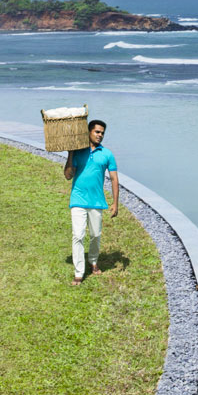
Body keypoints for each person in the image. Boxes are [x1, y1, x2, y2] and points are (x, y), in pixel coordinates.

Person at [63, 119, 119, 286]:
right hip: (78, 200)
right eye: (97, 132)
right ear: (88, 132)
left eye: (102, 133)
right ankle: (79, 272)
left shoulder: (107, 154)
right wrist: (70, 153)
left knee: (95, 235)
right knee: (78, 235)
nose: (100, 135)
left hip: (97, 201)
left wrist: (115, 203)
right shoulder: (78, 152)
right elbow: (67, 175)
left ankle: (93, 261)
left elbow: (115, 179)